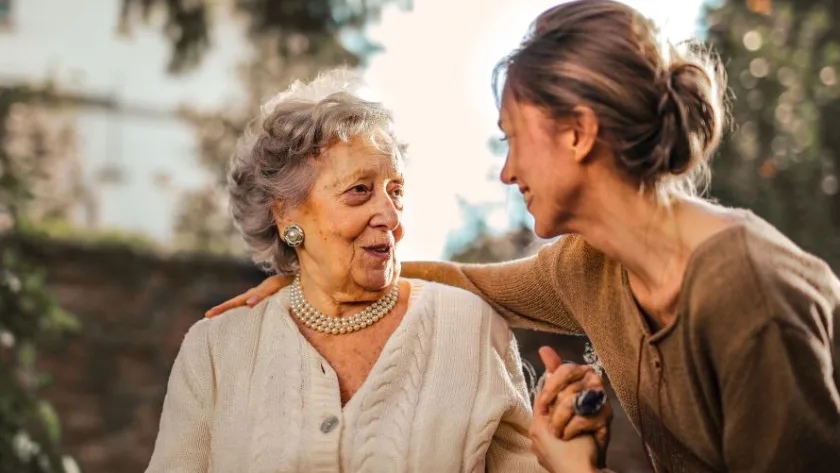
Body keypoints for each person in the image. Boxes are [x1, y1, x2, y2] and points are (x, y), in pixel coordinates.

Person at [207, 1, 840, 472]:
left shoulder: (748, 295)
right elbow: (465, 281)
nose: (507, 171)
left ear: (577, 133)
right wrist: (310, 273)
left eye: (513, 137)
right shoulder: (589, 266)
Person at [145, 71, 568, 473]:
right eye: (359, 190)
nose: (389, 215)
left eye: (396, 191)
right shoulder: (217, 348)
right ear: (287, 213)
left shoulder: (471, 328)